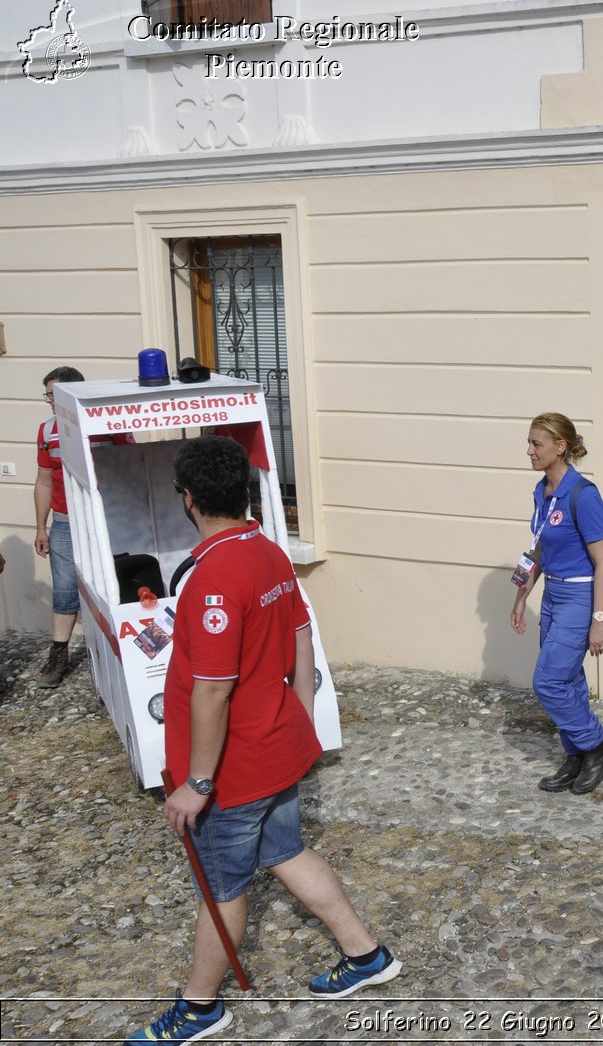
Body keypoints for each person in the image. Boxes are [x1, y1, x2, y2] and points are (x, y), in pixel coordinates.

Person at [126, 436, 400, 1043]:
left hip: (236, 769)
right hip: (276, 748)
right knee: (285, 852)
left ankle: (201, 1009)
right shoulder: (269, 551)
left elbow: (213, 691)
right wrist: (297, 720)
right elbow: (302, 637)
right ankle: (367, 956)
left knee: (222, 890)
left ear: (189, 499)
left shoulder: (213, 577)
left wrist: (198, 783)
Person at [510, 413, 603, 796]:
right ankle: (576, 756)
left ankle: (597, 747)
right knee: (569, 678)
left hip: (579, 595)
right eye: (529, 443)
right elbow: (540, 547)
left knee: (548, 681)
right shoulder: (542, 491)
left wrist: (599, 619)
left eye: (536, 444)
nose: (529, 451)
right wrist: (523, 596)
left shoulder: (582, 494)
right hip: (552, 594)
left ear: (560, 447)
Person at [34, 366, 134, 687]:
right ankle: (59, 655)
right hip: (64, 524)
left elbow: (131, 465)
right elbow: (44, 480)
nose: (50, 401)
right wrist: (40, 526)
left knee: (113, 584)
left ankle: (125, 652)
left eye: (55, 394)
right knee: (64, 591)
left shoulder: (105, 420)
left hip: (105, 519)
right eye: (47, 394)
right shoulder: (47, 430)